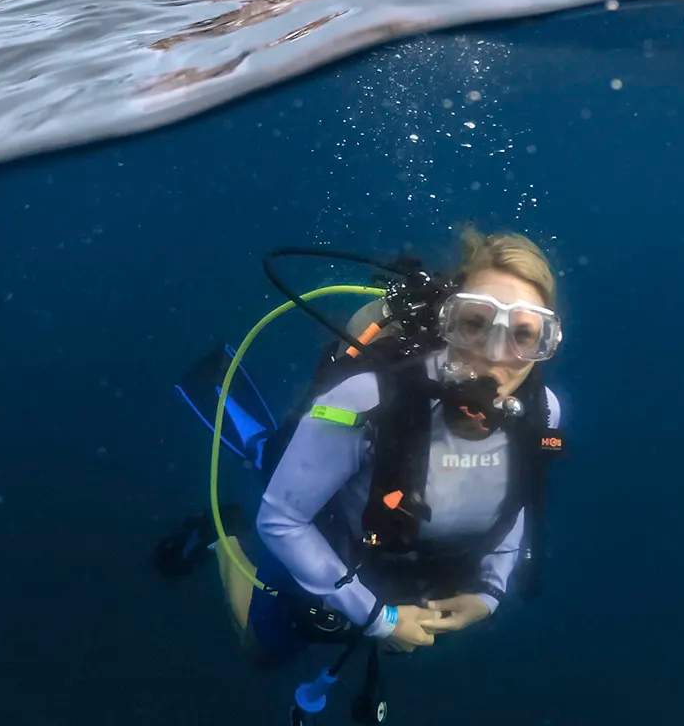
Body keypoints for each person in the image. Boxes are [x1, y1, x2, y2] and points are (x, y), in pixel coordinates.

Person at [204, 228, 564, 663]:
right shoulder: (368, 398)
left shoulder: (542, 412)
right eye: (474, 323)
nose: (495, 355)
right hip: (339, 552)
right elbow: (282, 519)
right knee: (262, 652)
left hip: (415, 572)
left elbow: (515, 503)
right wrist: (378, 618)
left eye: (524, 335)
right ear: (446, 322)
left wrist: (489, 591)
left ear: (546, 343)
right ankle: (224, 536)